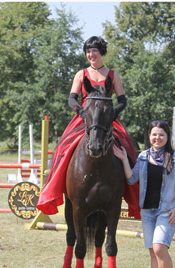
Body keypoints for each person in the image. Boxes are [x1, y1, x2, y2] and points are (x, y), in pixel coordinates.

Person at [37, 36, 140, 217]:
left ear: (101, 52)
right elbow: (71, 98)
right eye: (88, 51)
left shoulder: (113, 75)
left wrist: (112, 114)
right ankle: (54, 185)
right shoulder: (81, 74)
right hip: (84, 118)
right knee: (62, 148)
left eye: (94, 51)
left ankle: (133, 189)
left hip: (107, 119)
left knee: (128, 146)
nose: (91, 54)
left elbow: (122, 100)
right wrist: (82, 112)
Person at [113, 120, 175, 268]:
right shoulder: (143, 157)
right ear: (149, 136)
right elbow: (132, 180)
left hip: (167, 211)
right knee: (152, 252)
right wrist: (124, 159)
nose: (158, 138)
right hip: (147, 211)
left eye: (161, 134)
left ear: (167, 137)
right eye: (154, 134)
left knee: (159, 248)